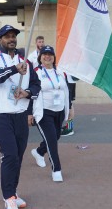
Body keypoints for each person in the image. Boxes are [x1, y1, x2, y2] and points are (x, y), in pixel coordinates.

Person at [0, 25, 41, 209]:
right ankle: (8, 196)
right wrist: (14, 69)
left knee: (18, 156)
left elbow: (36, 85)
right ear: (0, 40)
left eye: (13, 36)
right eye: (7, 36)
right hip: (1, 115)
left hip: (20, 115)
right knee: (9, 155)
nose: (11, 39)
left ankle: (14, 192)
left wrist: (27, 93)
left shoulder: (26, 61)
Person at [30, 45, 71, 182]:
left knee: (56, 136)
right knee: (52, 141)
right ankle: (56, 169)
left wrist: (70, 108)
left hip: (59, 110)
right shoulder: (35, 72)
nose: (47, 57)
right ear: (40, 57)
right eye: (44, 54)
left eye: (50, 54)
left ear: (54, 57)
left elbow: (66, 91)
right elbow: (30, 93)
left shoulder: (60, 72)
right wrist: (29, 113)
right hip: (43, 112)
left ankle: (39, 152)